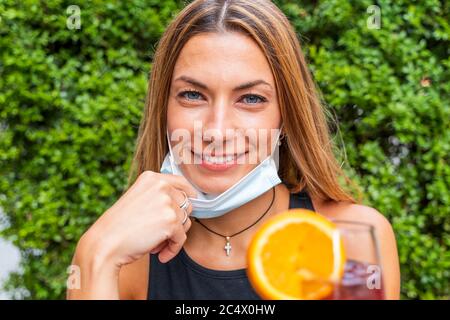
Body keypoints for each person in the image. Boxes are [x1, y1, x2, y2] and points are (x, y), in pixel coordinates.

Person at [67, 0, 400, 300]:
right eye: (192, 95)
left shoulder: (350, 242)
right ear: (163, 108)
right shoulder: (126, 256)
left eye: (251, 99)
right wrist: (97, 253)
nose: (216, 130)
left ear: (286, 116)